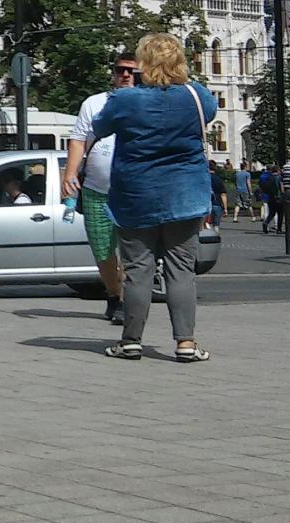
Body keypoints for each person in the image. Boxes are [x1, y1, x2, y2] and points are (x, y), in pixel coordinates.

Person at [93, 32, 217, 362]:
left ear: (142, 63)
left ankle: (131, 340)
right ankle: (186, 343)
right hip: (186, 195)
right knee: (181, 270)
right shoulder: (196, 96)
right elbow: (209, 113)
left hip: (136, 195)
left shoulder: (125, 100)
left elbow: (99, 127)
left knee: (137, 270)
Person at [62, 52, 137, 324]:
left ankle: (126, 301)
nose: (125, 75)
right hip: (96, 189)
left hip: (133, 191)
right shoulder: (94, 103)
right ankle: (114, 295)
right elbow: (78, 139)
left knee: (132, 251)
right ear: (113, 73)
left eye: (131, 71)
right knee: (103, 250)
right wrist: (70, 174)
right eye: (120, 70)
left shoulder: (146, 102)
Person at [207, 160, 227, 232]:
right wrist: (225, 208)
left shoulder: (204, 179)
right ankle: (215, 235)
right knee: (216, 226)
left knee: (206, 224)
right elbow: (223, 194)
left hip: (205, 204)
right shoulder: (219, 179)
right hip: (217, 204)